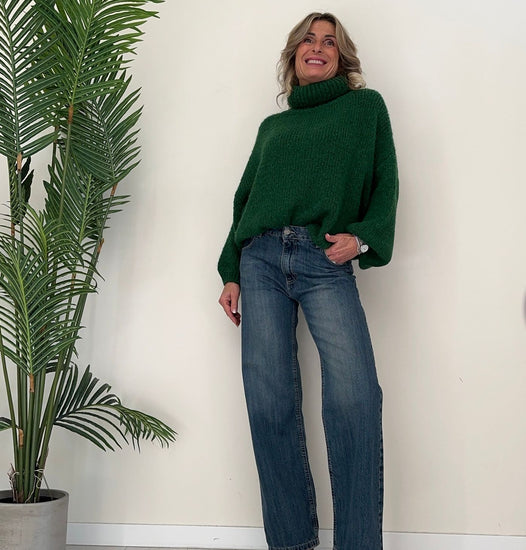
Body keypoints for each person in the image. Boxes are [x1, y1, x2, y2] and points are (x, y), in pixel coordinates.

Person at [218, 11, 398, 550]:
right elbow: (245, 201)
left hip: (324, 259)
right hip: (260, 261)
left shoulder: (365, 108)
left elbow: (385, 183)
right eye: (308, 40)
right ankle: (292, 541)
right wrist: (231, 270)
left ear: (342, 57)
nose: (317, 48)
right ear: (294, 53)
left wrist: (361, 240)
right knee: (268, 402)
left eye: (329, 42)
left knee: (355, 398)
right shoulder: (272, 128)